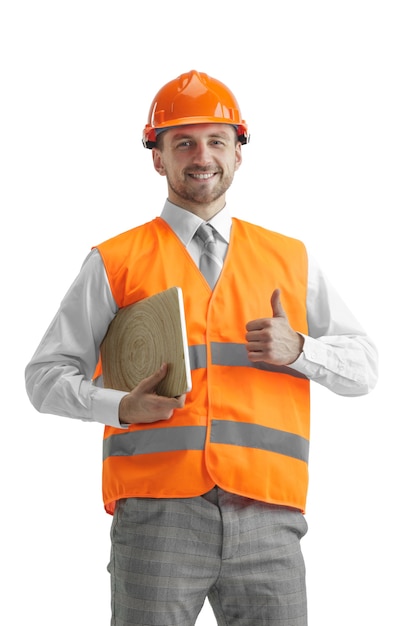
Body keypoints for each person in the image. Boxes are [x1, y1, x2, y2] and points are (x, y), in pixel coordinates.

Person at [25, 69, 378, 626]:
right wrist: (119, 406)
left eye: (217, 141)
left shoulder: (290, 258)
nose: (201, 155)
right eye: (182, 142)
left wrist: (301, 349)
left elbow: (364, 369)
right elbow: (44, 377)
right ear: (157, 158)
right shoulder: (115, 260)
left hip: (268, 513)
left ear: (239, 153)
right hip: (157, 513)